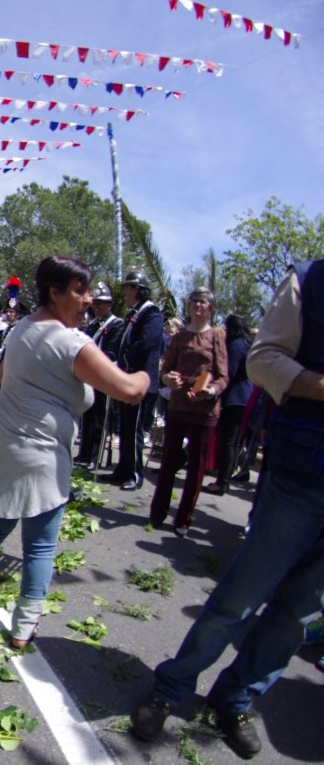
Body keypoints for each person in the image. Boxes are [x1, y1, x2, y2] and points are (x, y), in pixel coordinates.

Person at [130, 261, 324, 760]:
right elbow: (264, 361)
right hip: (301, 476)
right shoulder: (310, 281)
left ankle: (236, 698)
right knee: (240, 598)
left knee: (297, 616)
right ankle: (171, 687)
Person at [0, 257, 149, 648]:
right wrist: (147, 372)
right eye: (80, 291)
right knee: (40, 542)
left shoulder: (20, 328)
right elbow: (130, 390)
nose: (88, 300)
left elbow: (3, 374)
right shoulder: (71, 342)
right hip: (39, 454)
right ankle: (24, 625)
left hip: (4, 443)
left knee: (2, 517)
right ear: (55, 293)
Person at [147, 288, 228, 535]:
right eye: (194, 301)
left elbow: (224, 377)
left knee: (196, 468)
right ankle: (158, 512)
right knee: (169, 461)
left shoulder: (216, 336)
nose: (198, 306)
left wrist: (211, 390)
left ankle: (183, 519)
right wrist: (166, 379)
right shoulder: (180, 336)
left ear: (211, 308)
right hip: (179, 406)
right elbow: (164, 369)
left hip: (204, 410)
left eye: (203, 302)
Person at [110, 270, 164, 491]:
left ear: (136, 289)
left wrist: (123, 361)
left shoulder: (151, 313)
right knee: (125, 427)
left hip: (141, 380)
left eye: (127, 288)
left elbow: (146, 343)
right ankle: (123, 469)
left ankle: (134, 473)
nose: (124, 292)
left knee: (135, 430)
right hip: (128, 378)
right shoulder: (134, 313)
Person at [75, 283, 125, 466]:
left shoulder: (116, 324)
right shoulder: (94, 324)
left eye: (100, 304)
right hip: (89, 376)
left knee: (99, 419)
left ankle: (95, 458)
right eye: (95, 303)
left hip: (103, 375)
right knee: (87, 416)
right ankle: (84, 454)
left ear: (109, 305)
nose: (96, 307)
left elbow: (112, 352)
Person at [205, 314, 254, 495]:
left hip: (235, 398)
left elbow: (228, 371)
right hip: (243, 398)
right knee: (233, 443)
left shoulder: (236, 345)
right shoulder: (246, 344)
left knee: (228, 442)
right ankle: (224, 480)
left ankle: (222, 482)